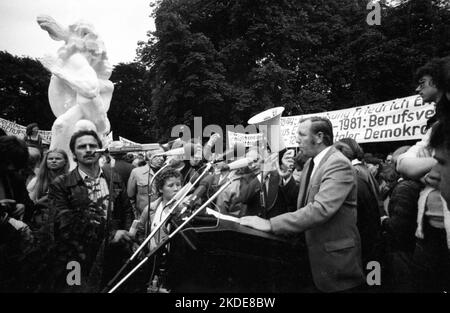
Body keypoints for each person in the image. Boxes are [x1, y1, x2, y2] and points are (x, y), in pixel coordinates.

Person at [240, 117, 364, 293]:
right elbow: (302, 200)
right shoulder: (310, 163)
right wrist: (286, 177)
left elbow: (320, 209)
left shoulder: (338, 163)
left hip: (334, 263)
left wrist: (270, 224)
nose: (296, 139)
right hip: (312, 260)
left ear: (319, 137)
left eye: (301, 134)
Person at [47, 130, 134, 291]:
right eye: (82, 147)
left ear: (100, 151)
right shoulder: (62, 183)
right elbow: (63, 223)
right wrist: (109, 236)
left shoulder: (113, 177)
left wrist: (127, 235)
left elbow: (127, 210)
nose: (88, 150)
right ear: (73, 154)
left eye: (92, 146)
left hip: (114, 255)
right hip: (78, 259)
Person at [0, 136, 34, 223]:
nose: (10, 167)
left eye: (14, 164)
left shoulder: (15, 177)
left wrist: (23, 206)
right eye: (7, 163)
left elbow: (28, 203)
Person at [127, 147, 165, 219]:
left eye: (163, 156)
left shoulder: (166, 172)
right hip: (143, 216)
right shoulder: (137, 172)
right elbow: (130, 196)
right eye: (159, 156)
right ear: (150, 156)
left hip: (162, 215)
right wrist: (136, 215)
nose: (162, 158)